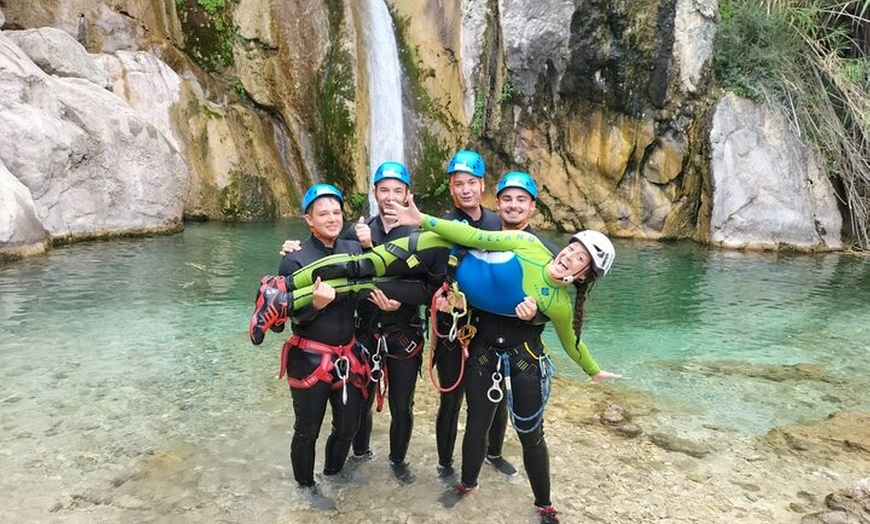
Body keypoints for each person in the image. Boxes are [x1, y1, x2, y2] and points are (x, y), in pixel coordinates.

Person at [437, 172, 566, 523]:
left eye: (521, 199)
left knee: (530, 431)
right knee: (476, 421)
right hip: (482, 349)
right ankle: (467, 483)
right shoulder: (479, 242)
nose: (513, 205)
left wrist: (537, 314)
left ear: (532, 207)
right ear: (497, 203)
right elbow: (452, 277)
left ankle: (544, 503)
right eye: (507, 199)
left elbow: (562, 308)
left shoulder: (545, 253)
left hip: (525, 353)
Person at [258, 183, 368, 510]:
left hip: (347, 353)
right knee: (307, 428)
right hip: (310, 355)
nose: (332, 218)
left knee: (350, 424)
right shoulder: (295, 260)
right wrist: (316, 305)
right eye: (323, 213)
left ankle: (333, 472)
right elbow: (292, 315)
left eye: (336, 212)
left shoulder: (353, 248)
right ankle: (306, 486)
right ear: (309, 219)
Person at [337, 162, 442, 485]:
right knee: (362, 398)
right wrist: (292, 248)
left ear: (409, 194)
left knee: (402, 402)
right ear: (374, 193)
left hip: (403, 330)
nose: (391, 197)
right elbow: (333, 267)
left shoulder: (421, 235)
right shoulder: (356, 231)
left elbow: (431, 287)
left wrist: (402, 299)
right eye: (385, 190)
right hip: (366, 329)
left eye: (398, 190)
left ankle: (397, 459)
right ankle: (361, 453)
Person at [433, 150, 516, 482]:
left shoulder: (499, 224)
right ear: (451, 188)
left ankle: (493, 453)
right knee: (451, 398)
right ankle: (444, 463)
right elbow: (427, 273)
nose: (466, 189)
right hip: (451, 326)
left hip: (488, 325)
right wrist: (437, 297)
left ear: (482, 185)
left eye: (471, 182)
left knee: (496, 395)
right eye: (458, 184)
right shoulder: (442, 228)